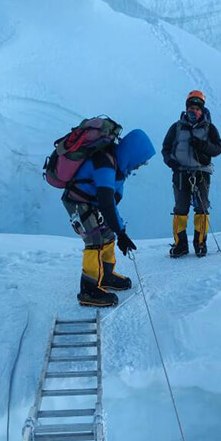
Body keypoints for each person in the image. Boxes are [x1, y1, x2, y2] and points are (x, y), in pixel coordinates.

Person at [62, 128, 155, 307]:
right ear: (133, 153)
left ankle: (105, 275)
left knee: (108, 234)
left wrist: (120, 231)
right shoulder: (105, 163)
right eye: (142, 161)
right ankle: (88, 290)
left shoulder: (120, 167)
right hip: (77, 202)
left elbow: (111, 203)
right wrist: (122, 233)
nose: (140, 165)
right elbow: (106, 202)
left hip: (91, 202)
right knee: (94, 240)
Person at [161, 90, 221, 258]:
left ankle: (200, 244)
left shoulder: (209, 128)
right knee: (180, 209)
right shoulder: (176, 127)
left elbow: (218, 148)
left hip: (201, 173)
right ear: (186, 108)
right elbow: (166, 148)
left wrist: (203, 146)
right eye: (191, 107)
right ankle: (180, 245)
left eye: (197, 108)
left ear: (202, 110)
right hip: (180, 173)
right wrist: (170, 161)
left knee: (201, 208)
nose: (193, 111)